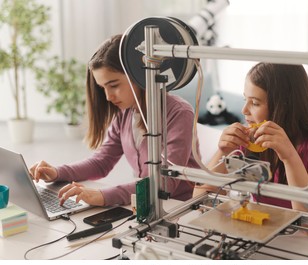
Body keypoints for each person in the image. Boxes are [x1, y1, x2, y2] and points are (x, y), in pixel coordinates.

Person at [30, 34, 200, 206]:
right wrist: (56, 172)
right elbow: (101, 162)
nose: (108, 96)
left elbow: (165, 183)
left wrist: (102, 195)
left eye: (114, 85)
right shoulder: (125, 113)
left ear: (138, 75)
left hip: (180, 209)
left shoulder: (179, 113)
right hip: (146, 205)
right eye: (102, 87)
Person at [194, 62, 308, 211]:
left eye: (255, 103)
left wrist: (289, 157)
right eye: (246, 100)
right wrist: (222, 152)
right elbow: (197, 200)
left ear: (284, 106)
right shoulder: (249, 141)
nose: (244, 110)